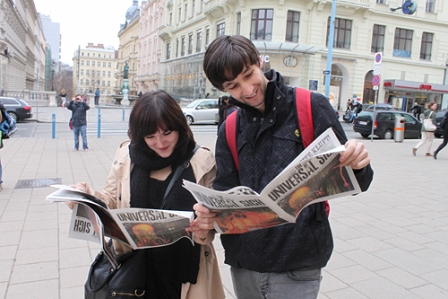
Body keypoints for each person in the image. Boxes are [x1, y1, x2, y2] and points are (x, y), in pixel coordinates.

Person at [194, 35, 374, 299]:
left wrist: (358, 163)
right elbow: (224, 192)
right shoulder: (230, 128)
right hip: (245, 265)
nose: (246, 90)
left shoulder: (310, 106)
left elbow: (359, 181)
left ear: (259, 61)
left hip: (298, 262)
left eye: (248, 74)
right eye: (233, 86)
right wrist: (208, 213)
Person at [68, 90, 225, 299]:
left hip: (184, 275)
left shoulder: (202, 161)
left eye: (167, 133)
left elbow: (214, 221)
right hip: (135, 271)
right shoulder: (126, 156)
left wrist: (205, 226)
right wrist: (86, 197)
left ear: (179, 127)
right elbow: (111, 200)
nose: (160, 142)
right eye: (150, 136)